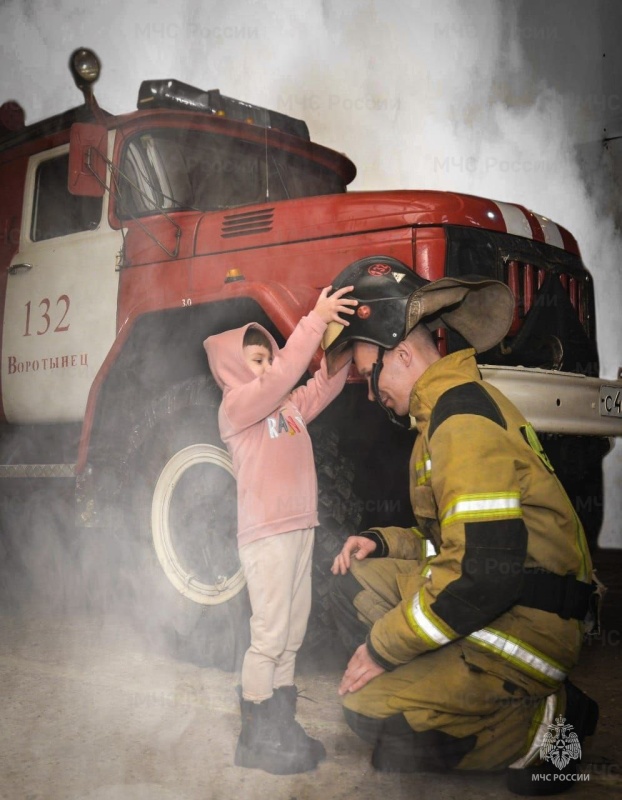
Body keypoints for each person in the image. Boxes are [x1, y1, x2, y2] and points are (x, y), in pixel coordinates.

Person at [322, 255, 600, 794]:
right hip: (502, 599)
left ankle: (549, 726)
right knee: (348, 579)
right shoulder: (442, 416)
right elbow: (445, 544)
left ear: (398, 353)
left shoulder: (461, 423)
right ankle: (452, 683)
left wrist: (384, 649)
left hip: (527, 625)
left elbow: (480, 575)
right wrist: (380, 542)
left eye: (362, 367)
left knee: (375, 722)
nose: (365, 385)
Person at [204, 284, 357, 775]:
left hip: (298, 529)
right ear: (231, 367)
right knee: (268, 636)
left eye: (270, 356)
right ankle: (254, 736)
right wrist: (314, 320)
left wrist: (342, 343)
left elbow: (320, 386)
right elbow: (285, 377)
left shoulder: (285, 409)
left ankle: (280, 725)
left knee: (291, 636)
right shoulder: (237, 408)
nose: (268, 366)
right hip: (266, 535)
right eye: (256, 359)